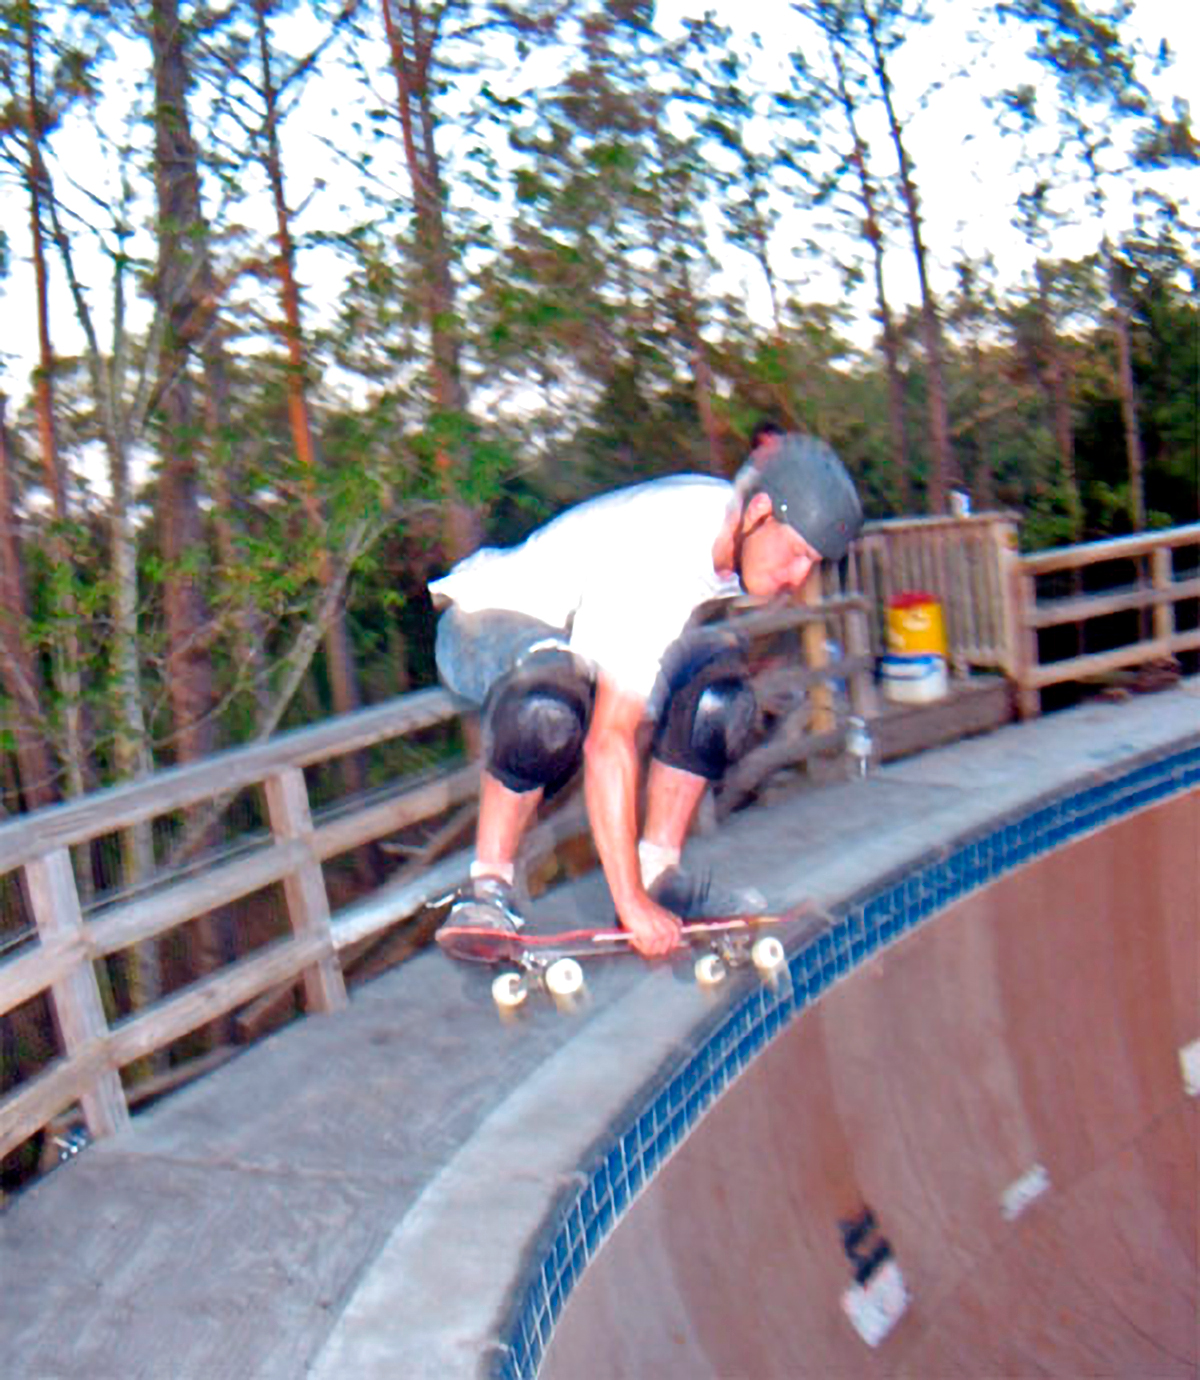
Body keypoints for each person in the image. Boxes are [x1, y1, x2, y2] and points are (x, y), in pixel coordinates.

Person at [429, 431, 863, 957]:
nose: (797, 576)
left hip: (578, 637)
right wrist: (628, 902)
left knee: (718, 700)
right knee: (547, 707)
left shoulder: (733, 528)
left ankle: (662, 875)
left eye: (811, 563)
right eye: (795, 554)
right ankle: (486, 891)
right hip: (482, 623)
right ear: (760, 512)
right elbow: (607, 743)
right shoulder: (664, 548)